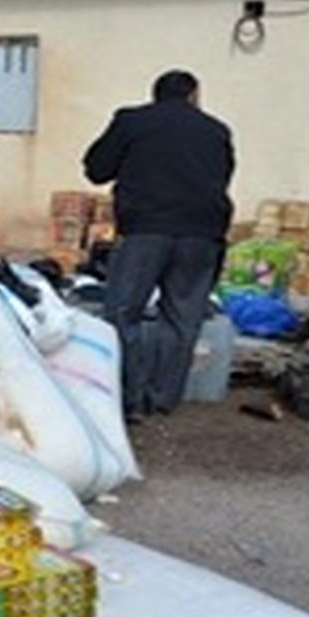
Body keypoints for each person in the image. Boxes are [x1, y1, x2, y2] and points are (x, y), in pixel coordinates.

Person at [83, 69, 235, 419]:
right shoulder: (216, 130)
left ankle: (129, 399)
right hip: (202, 232)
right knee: (182, 318)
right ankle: (162, 398)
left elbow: (96, 169)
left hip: (145, 230)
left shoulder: (132, 121)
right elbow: (223, 176)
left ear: (155, 95)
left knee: (124, 312)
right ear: (194, 96)